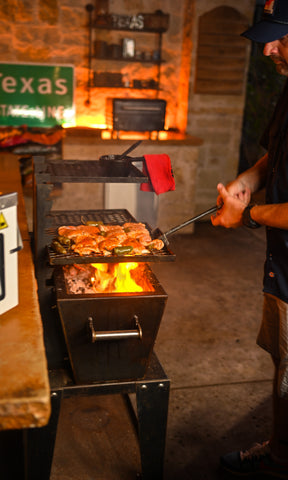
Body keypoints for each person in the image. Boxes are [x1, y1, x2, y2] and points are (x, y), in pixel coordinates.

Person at [211, 0, 288, 477]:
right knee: (283, 369)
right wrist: (246, 183)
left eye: (280, 37)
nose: (268, 50)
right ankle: (280, 453)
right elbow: (271, 156)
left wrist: (248, 215)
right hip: (281, 268)